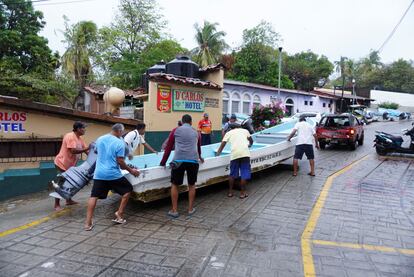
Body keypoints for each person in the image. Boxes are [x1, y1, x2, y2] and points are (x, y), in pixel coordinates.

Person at [84, 123, 140, 231]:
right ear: (119, 131)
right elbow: (120, 162)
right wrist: (132, 171)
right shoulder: (120, 143)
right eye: (122, 132)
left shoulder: (100, 138)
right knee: (127, 190)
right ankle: (119, 214)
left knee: (93, 196)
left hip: (99, 173)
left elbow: (96, 152)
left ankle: (88, 223)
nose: (122, 134)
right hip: (112, 174)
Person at [160, 114, 204, 218]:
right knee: (192, 185)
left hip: (178, 160)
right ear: (191, 122)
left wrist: (163, 162)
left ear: (182, 121)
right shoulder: (196, 132)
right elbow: (198, 147)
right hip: (193, 161)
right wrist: (200, 157)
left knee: (175, 185)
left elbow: (168, 148)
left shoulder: (175, 130)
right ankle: (190, 209)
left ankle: (174, 210)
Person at [53, 121, 89, 211]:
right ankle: (56, 204)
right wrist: (87, 148)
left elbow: (87, 151)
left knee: (69, 182)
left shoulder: (80, 139)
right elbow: (73, 150)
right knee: (61, 184)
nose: (85, 130)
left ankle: (68, 200)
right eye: (83, 128)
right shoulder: (70, 136)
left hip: (70, 166)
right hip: (61, 163)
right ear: (78, 129)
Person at [216, 123, 253, 199]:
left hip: (235, 155)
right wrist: (249, 145)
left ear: (231, 128)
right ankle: (242, 193)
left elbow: (223, 144)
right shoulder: (245, 131)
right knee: (244, 173)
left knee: (232, 174)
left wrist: (218, 153)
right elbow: (251, 140)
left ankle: (230, 192)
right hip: (245, 154)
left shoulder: (229, 133)